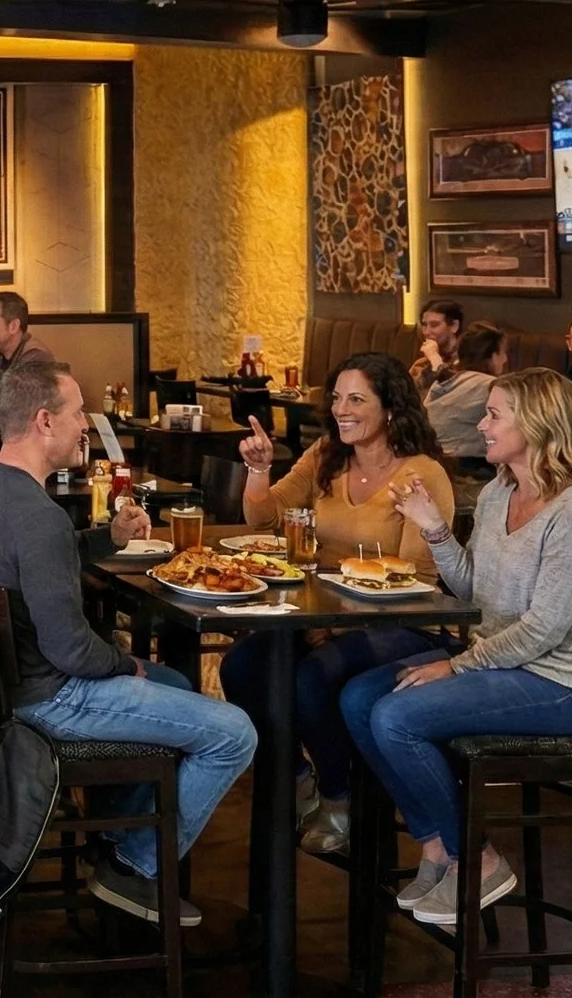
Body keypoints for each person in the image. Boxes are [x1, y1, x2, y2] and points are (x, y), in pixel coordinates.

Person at [0, 358, 255, 927]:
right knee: (235, 732)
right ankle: (132, 865)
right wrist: (124, 663)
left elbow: (35, 562)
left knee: (177, 683)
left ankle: (113, 840)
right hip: (49, 701)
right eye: (76, 413)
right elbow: (71, 650)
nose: (85, 425)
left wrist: (105, 539)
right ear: (44, 421)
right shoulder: (35, 513)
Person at [342, 368, 572, 925]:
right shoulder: (499, 492)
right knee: (357, 698)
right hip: (503, 664)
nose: (481, 425)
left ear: (538, 424)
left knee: (396, 716)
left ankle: (479, 858)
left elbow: (543, 630)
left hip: (563, 686)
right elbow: (474, 590)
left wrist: (457, 664)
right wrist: (434, 530)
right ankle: (437, 846)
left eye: (494, 415)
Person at [225, 351, 456, 853]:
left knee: (313, 677)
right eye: (336, 398)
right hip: (320, 616)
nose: (341, 410)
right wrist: (258, 469)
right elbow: (264, 520)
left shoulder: (421, 473)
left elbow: (419, 578)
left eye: (356, 399)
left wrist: (336, 623)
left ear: (390, 407)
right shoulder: (325, 456)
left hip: (401, 627)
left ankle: (338, 794)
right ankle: (297, 774)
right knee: (241, 667)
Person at [426, 321, 507, 465]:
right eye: (502, 352)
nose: (505, 359)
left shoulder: (440, 383)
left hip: (430, 460)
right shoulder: (489, 386)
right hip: (467, 468)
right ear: (492, 356)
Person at [410, 299, 465, 392]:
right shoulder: (421, 364)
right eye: (424, 325)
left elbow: (454, 392)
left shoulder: (468, 360)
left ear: (454, 326)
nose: (426, 332)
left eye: (434, 325)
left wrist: (434, 357)